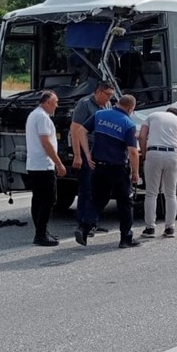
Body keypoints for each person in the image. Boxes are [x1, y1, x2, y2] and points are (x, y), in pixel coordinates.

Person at [79, 93, 141, 249]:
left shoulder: (100, 114)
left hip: (98, 166)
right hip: (117, 169)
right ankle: (126, 238)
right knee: (125, 203)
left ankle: (84, 227)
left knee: (98, 199)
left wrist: (87, 154)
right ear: (131, 108)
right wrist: (135, 172)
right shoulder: (128, 123)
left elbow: (81, 131)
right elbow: (133, 152)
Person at [70, 80, 115, 241]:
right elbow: (75, 131)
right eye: (108, 95)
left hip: (99, 151)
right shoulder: (84, 105)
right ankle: (83, 222)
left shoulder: (107, 105)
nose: (109, 98)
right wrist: (77, 155)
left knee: (98, 188)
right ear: (99, 92)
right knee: (86, 187)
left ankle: (93, 222)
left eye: (111, 95)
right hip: (85, 150)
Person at [138, 107, 177, 239]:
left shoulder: (153, 115)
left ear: (167, 112)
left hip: (154, 153)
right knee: (170, 193)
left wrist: (145, 154)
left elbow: (142, 136)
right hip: (173, 155)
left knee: (151, 193)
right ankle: (169, 228)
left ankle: (150, 228)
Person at [25, 91, 66, 247]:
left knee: (38, 199)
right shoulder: (42, 117)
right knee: (47, 201)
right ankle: (41, 234)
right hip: (43, 165)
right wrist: (59, 163)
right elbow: (46, 143)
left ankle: (41, 231)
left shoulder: (34, 114)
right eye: (55, 102)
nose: (57, 105)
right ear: (48, 102)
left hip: (34, 164)